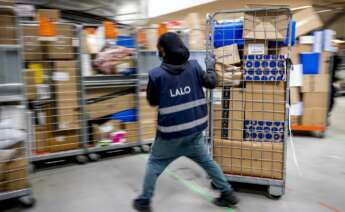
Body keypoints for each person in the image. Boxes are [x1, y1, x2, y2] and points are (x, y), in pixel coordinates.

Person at [133, 32, 239, 212]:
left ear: (163, 51)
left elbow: (153, 101)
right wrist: (211, 66)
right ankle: (228, 194)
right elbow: (212, 82)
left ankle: (144, 201)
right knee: (208, 162)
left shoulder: (156, 75)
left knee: (154, 163)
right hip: (194, 133)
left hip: (170, 137)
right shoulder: (195, 67)